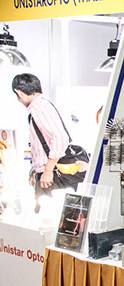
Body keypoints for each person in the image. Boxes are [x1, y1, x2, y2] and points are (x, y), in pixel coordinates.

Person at [12, 73, 86, 208]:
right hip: (52, 173)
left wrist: (47, 171)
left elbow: (60, 138)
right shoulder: (45, 105)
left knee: (47, 215)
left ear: (19, 93)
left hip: (53, 177)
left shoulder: (39, 107)